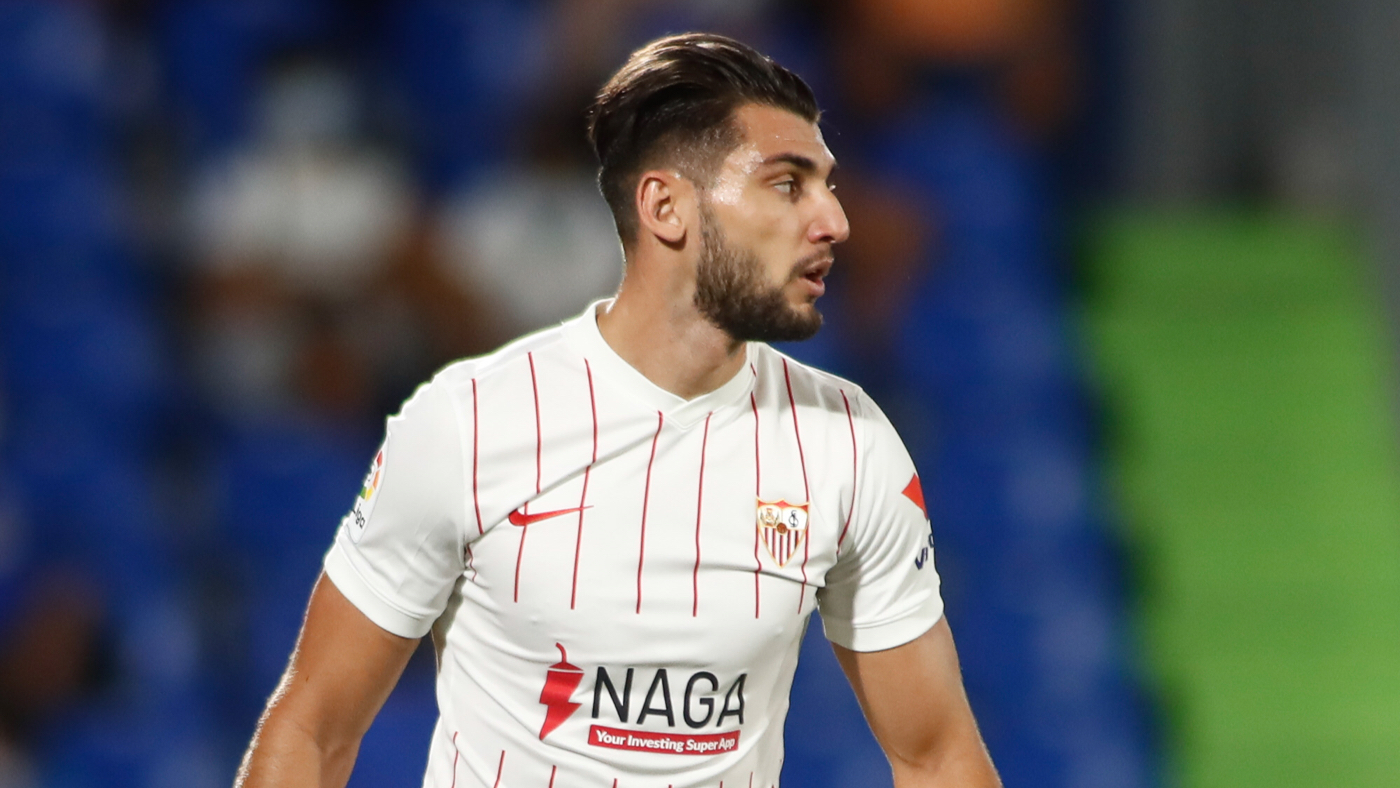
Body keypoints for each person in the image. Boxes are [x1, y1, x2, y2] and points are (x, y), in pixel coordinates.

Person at [234, 33, 1001, 788]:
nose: (832, 219)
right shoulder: (468, 422)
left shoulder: (848, 443)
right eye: (786, 185)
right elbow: (312, 728)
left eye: (827, 184)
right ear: (666, 207)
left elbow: (937, 756)